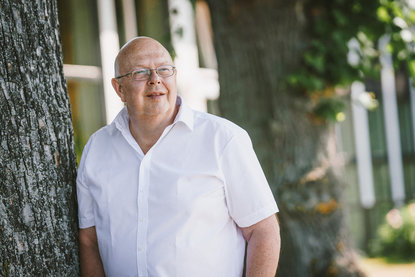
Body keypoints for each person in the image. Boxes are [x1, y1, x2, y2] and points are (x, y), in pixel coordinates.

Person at [77, 36, 281, 277]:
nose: (155, 80)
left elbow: (263, 230)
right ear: (119, 88)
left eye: (164, 69)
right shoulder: (97, 148)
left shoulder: (223, 139)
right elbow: (89, 240)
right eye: (141, 73)